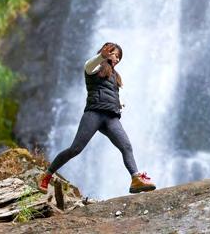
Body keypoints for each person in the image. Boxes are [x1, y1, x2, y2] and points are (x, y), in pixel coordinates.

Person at [38, 42, 156, 194]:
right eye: (115, 54)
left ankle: (136, 179)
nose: (117, 59)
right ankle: (47, 175)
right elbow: (88, 66)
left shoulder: (115, 76)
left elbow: (110, 92)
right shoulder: (95, 67)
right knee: (75, 149)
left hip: (111, 117)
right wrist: (101, 57)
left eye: (119, 57)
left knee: (126, 146)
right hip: (94, 114)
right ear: (105, 52)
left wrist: (119, 102)